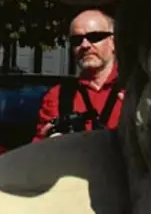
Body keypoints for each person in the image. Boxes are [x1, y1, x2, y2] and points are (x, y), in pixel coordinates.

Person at [33, 8, 124, 142]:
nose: (85, 45)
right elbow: (38, 152)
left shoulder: (134, 90)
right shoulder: (58, 96)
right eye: (77, 40)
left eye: (94, 37)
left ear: (113, 42)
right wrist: (48, 145)